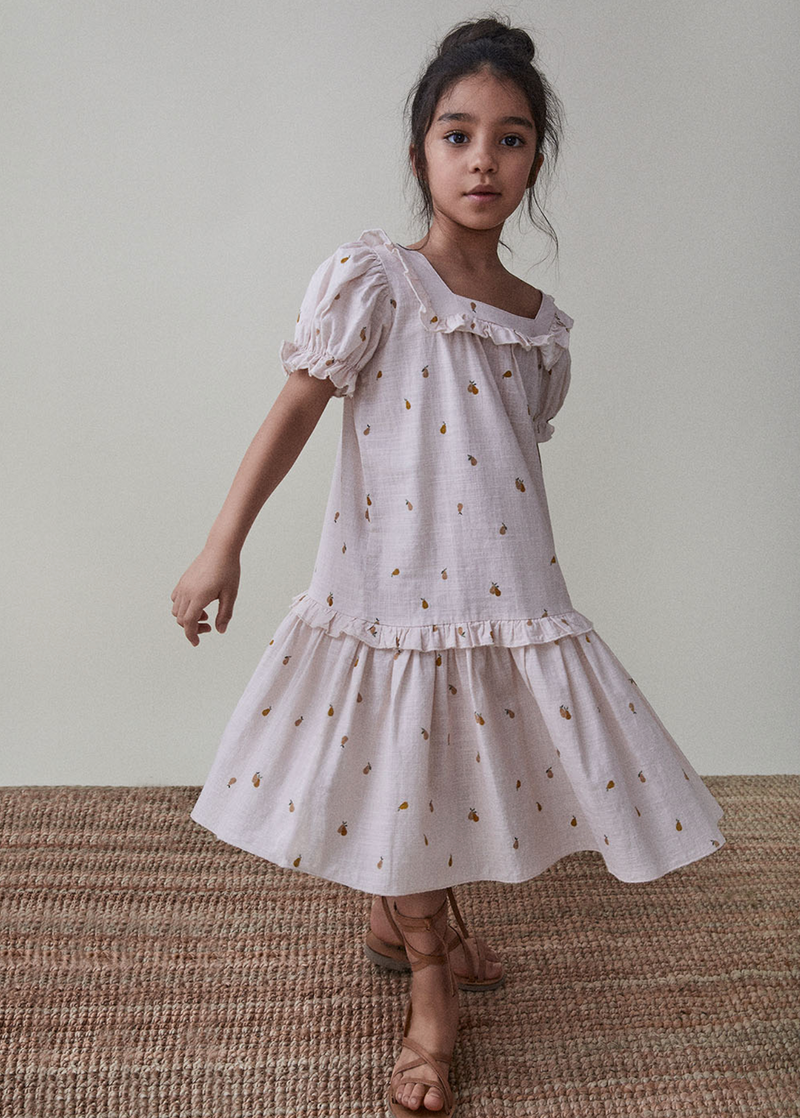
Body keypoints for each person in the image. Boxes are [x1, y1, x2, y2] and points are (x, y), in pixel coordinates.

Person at [171, 15, 726, 1117]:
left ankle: (402, 909)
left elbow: (500, 454)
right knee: (405, 751)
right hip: (390, 582)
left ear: (535, 158)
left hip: (500, 581)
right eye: (457, 134)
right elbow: (295, 411)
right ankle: (429, 979)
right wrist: (221, 542)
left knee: (465, 759)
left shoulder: (538, 328)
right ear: (421, 148)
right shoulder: (375, 282)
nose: (483, 161)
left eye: (510, 139)